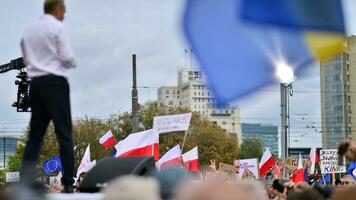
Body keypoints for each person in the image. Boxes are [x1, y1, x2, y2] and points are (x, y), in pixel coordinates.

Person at [20, 0, 76, 193]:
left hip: (36, 84)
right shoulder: (57, 27)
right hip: (55, 82)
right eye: (64, 12)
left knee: (35, 135)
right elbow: (68, 57)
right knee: (64, 133)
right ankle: (69, 182)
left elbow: (26, 57)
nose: (64, 16)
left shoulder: (28, 30)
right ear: (57, 9)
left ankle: (25, 180)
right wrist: (70, 62)